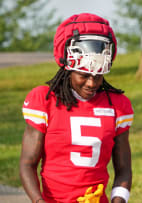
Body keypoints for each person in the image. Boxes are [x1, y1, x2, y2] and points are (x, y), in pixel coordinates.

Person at [19, 13, 133, 203]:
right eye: (84, 74)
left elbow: (123, 169)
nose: (91, 83)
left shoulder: (116, 105)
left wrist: (119, 200)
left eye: (98, 75)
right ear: (68, 67)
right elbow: (27, 164)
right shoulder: (45, 100)